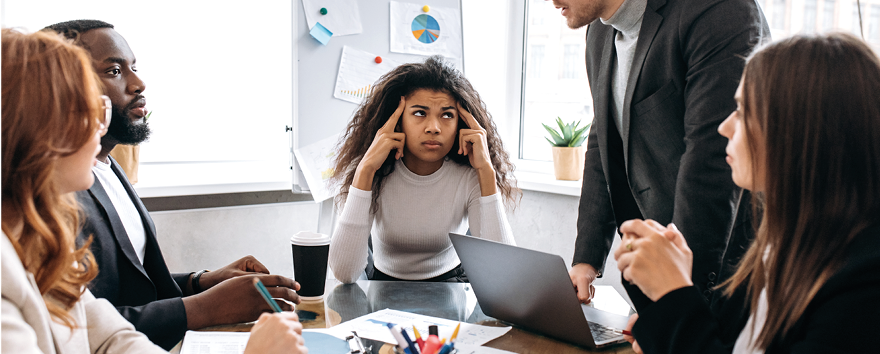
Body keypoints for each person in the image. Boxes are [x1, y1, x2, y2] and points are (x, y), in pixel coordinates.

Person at [1, 28, 307, 354]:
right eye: (89, 108)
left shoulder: (42, 241)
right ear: (34, 128)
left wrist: (198, 282)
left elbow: (110, 336)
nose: (98, 124)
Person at [614, 33, 880, 353]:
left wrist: (673, 295)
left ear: (797, 133)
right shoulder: (781, 245)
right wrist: (663, 319)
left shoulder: (864, 285)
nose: (725, 127)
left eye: (742, 111)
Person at [550, 0, 770, 309]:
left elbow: (710, 165)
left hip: (722, 276)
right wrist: (586, 261)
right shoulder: (598, 32)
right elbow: (604, 140)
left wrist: (674, 301)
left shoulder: (719, 11)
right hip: (660, 276)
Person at [329, 56, 518, 283]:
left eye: (447, 115)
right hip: (382, 284)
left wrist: (487, 172)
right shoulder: (371, 171)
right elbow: (344, 273)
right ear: (397, 120)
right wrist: (365, 170)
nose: (433, 128)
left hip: (453, 285)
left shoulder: (470, 175)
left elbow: (503, 272)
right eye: (420, 113)